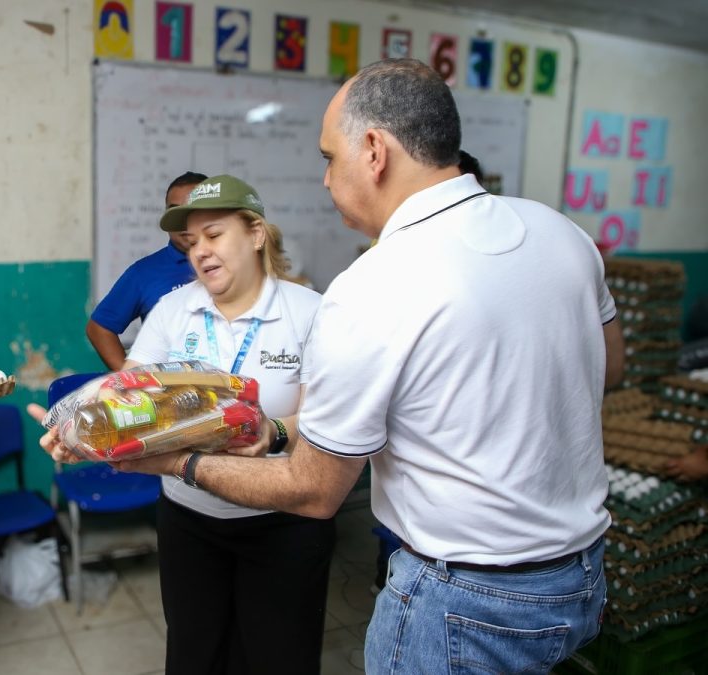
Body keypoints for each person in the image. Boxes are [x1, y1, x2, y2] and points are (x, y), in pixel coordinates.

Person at [43, 60, 627, 674]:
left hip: (461, 600)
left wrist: (173, 460)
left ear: (373, 150)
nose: (325, 180)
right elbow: (607, 369)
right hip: (577, 578)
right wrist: (266, 431)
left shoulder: (372, 285)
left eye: (328, 156)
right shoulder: (561, 232)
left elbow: (314, 490)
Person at [37, 175, 335, 675]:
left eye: (215, 235)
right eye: (193, 241)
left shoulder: (309, 312)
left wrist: (274, 432)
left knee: (278, 657)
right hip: (190, 520)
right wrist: (78, 429)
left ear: (257, 233)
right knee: (195, 655)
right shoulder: (175, 311)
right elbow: (129, 391)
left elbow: (327, 423)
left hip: (283, 523)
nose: (201, 251)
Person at [86, 171, 207, 370]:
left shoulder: (231, 267)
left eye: (194, 211)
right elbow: (99, 328)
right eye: (175, 212)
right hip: (172, 393)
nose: (184, 221)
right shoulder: (144, 273)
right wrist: (134, 379)